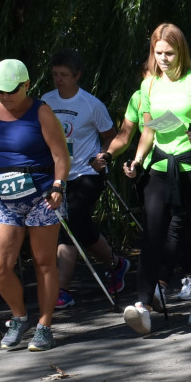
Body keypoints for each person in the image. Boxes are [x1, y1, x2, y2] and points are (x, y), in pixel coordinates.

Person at [122, 23, 191, 332]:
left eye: (169, 52)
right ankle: (142, 304)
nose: (164, 59)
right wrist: (137, 160)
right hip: (160, 166)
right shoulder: (148, 86)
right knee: (152, 232)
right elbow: (148, 131)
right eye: (158, 53)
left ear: (181, 51)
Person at [0, 59, 70, 351]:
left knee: (44, 262)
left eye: (11, 90)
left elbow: (61, 156)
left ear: (26, 85)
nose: (4, 96)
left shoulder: (41, 113)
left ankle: (44, 326)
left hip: (42, 197)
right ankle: (20, 317)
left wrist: (59, 186)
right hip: (4, 200)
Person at [40, 49, 127, 310]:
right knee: (79, 225)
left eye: (64, 75)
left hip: (87, 173)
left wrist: (102, 156)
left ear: (77, 75)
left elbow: (111, 135)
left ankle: (61, 290)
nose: (59, 80)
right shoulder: (45, 101)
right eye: (55, 74)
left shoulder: (91, 105)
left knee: (70, 223)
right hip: (58, 175)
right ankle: (117, 263)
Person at [106, 65, 191, 302]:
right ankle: (173, 281)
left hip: (183, 166)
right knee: (157, 230)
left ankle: (164, 283)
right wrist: (109, 155)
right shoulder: (140, 97)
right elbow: (128, 134)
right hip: (153, 171)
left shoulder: (185, 91)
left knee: (178, 224)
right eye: (151, 75)